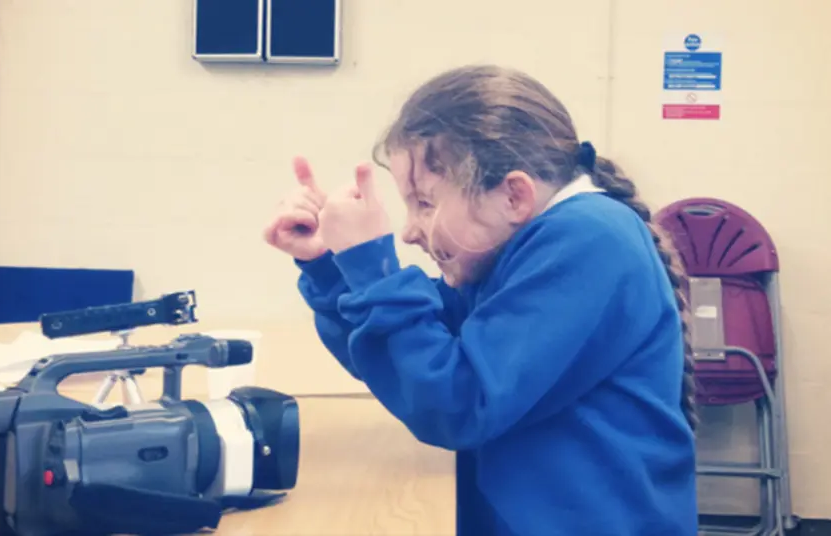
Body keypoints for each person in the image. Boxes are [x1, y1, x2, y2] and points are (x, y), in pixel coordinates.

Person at [264, 64, 698, 536]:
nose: (410, 231)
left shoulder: (588, 239)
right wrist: (332, 265)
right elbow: (415, 359)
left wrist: (371, 267)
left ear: (514, 196)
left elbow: (457, 402)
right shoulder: (527, 244)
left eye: (425, 203)